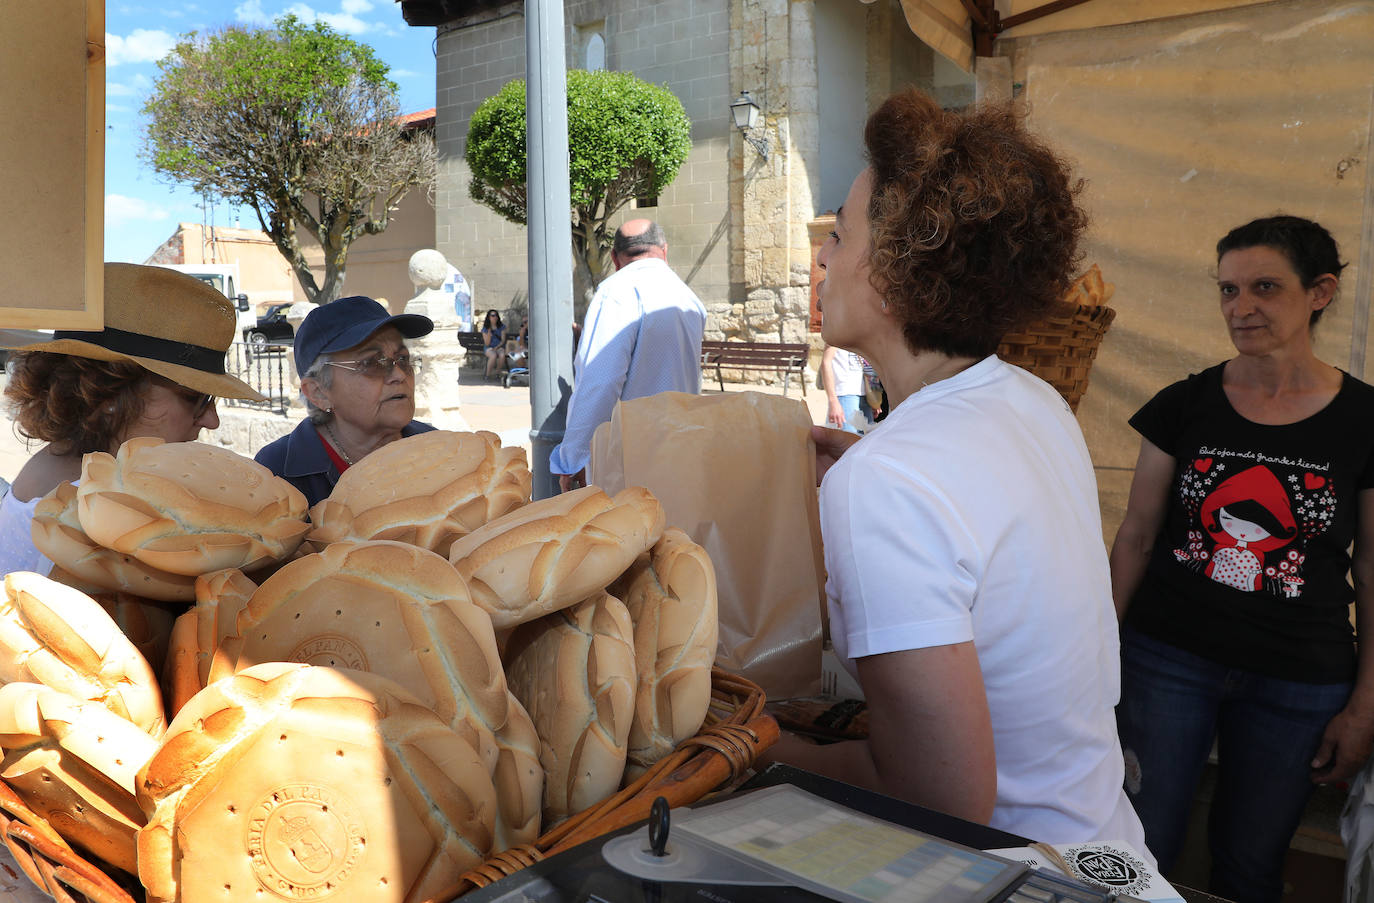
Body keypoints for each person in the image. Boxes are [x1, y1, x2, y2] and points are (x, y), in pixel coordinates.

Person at [761, 90, 1147, 853]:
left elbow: (942, 797)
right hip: (1112, 852)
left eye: (839, 235)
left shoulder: (886, 483)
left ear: (897, 270)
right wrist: (872, 468)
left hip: (1021, 876)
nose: (824, 260)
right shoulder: (1033, 399)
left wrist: (750, 747)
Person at [1110, 215, 1374, 901]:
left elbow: (1373, 567)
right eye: (1228, 289)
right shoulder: (1183, 404)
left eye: (1264, 287)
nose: (1241, 307)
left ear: (1320, 292)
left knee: (1251, 864)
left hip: (1299, 680)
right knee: (1137, 848)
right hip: (1167, 657)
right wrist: (1096, 646)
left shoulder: (1365, 420)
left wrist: (1367, 702)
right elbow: (1136, 536)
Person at [0, 263, 265, 575]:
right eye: (196, 398)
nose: (211, 421)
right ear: (109, 395)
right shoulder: (109, 514)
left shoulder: (60, 470)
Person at [550, 219, 706, 492]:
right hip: (682, 446)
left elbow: (600, 380)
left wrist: (573, 458)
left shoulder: (617, 291)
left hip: (632, 456)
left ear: (614, 258)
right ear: (664, 250)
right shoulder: (689, 297)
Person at [255, 296, 435, 507]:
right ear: (319, 393)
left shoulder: (436, 447)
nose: (399, 375)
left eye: (403, 359)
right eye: (373, 363)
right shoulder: (276, 473)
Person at [821, 344, 866, 434]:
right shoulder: (838, 331)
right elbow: (826, 362)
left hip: (863, 395)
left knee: (865, 444)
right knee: (849, 443)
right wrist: (833, 401)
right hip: (845, 395)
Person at [481, 308, 507, 380]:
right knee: (493, 355)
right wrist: (489, 334)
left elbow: (503, 340)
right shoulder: (485, 329)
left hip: (499, 346)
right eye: (492, 315)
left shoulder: (501, 327)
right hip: (489, 347)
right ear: (489, 317)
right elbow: (487, 343)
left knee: (502, 355)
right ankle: (487, 375)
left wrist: (497, 347)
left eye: (496, 315)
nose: (495, 317)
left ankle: (497, 373)